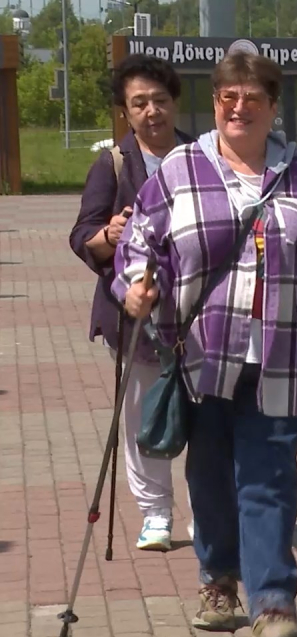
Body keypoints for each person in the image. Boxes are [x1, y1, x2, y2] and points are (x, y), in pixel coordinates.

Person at [113, 51, 297, 637]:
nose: (239, 108)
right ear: (215, 103)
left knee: (268, 478)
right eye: (229, 97)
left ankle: (273, 606)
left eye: (253, 98)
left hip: (287, 357)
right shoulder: (180, 170)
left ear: (273, 107)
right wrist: (136, 286)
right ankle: (219, 582)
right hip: (201, 356)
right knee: (210, 476)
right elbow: (139, 244)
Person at [69, 54, 196, 552]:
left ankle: (206, 513)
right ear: (125, 111)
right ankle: (155, 514)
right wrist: (109, 233)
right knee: (145, 415)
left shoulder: (203, 156)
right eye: (139, 103)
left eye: (159, 100)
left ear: (175, 103)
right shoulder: (114, 164)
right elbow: (82, 234)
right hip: (136, 316)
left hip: (199, 314)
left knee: (207, 418)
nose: (151, 111)